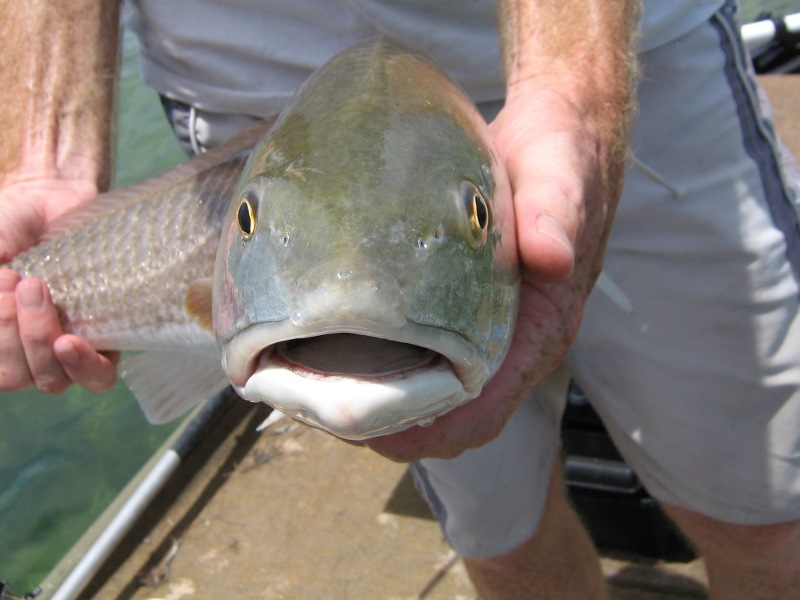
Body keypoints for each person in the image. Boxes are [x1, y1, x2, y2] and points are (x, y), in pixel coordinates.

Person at [1, 0, 799, 597]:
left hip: (623, 55)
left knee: (773, 514)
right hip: (253, 102)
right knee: (503, 540)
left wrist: (573, 93)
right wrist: (40, 158)